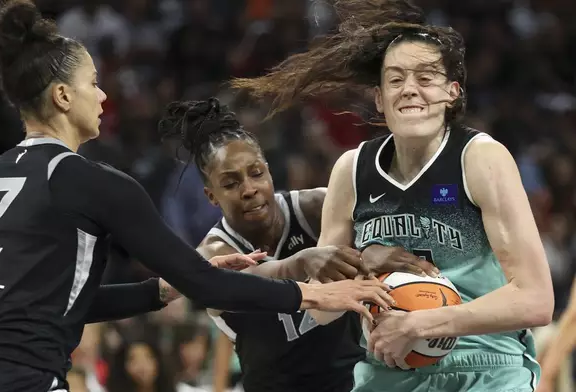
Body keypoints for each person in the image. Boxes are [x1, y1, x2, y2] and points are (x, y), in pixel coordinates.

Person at [0, 2, 395, 391]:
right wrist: (315, 296)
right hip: (18, 375)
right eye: (92, 83)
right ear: (62, 97)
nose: (104, 94)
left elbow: (53, 304)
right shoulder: (91, 179)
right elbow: (208, 285)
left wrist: (163, 288)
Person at [230, 0, 554, 391]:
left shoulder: (480, 158)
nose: (410, 89)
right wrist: (339, 266)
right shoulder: (352, 169)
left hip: (484, 365)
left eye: (426, 77)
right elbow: (324, 311)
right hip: (388, 367)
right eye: (396, 79)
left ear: (452, 92)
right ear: (380, 99)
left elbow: (536, 300)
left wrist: (422, 323)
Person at [157, 98, 437, 392]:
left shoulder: (315, 206)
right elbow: (242, 282)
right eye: (230, 184)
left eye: (256, 173)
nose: (249, 189)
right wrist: (300, 262)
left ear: (269, 171)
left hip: (354, 381)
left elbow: (391, 221)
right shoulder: (214, 252)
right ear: (211, 196)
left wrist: (373, 248)